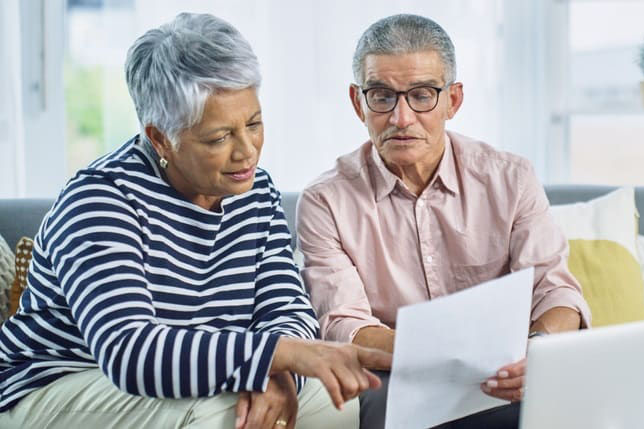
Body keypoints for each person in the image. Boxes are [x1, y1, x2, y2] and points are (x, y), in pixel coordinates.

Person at [0, 13, 390, 429]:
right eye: (219, 138)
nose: (247, 152)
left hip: (199, 379)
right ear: (160, 137)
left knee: (337, 401)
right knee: (220, 415)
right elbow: (131, 352)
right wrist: (274, 356)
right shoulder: (99, 201)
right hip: (56, 384)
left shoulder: (255, 192)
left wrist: (276, 375)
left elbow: (286, 308)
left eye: (254, 124)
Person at [296, 14, 591, 429]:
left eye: (422, 95)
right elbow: (345, 325)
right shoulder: (324, 201)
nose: (401, 118)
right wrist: (444, 359)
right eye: (381, 95)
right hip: (396, 379)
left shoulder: (510, 178)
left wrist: (538, 351)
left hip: (506, 375)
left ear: (453, 100)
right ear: (357, 101)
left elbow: (556, 292)